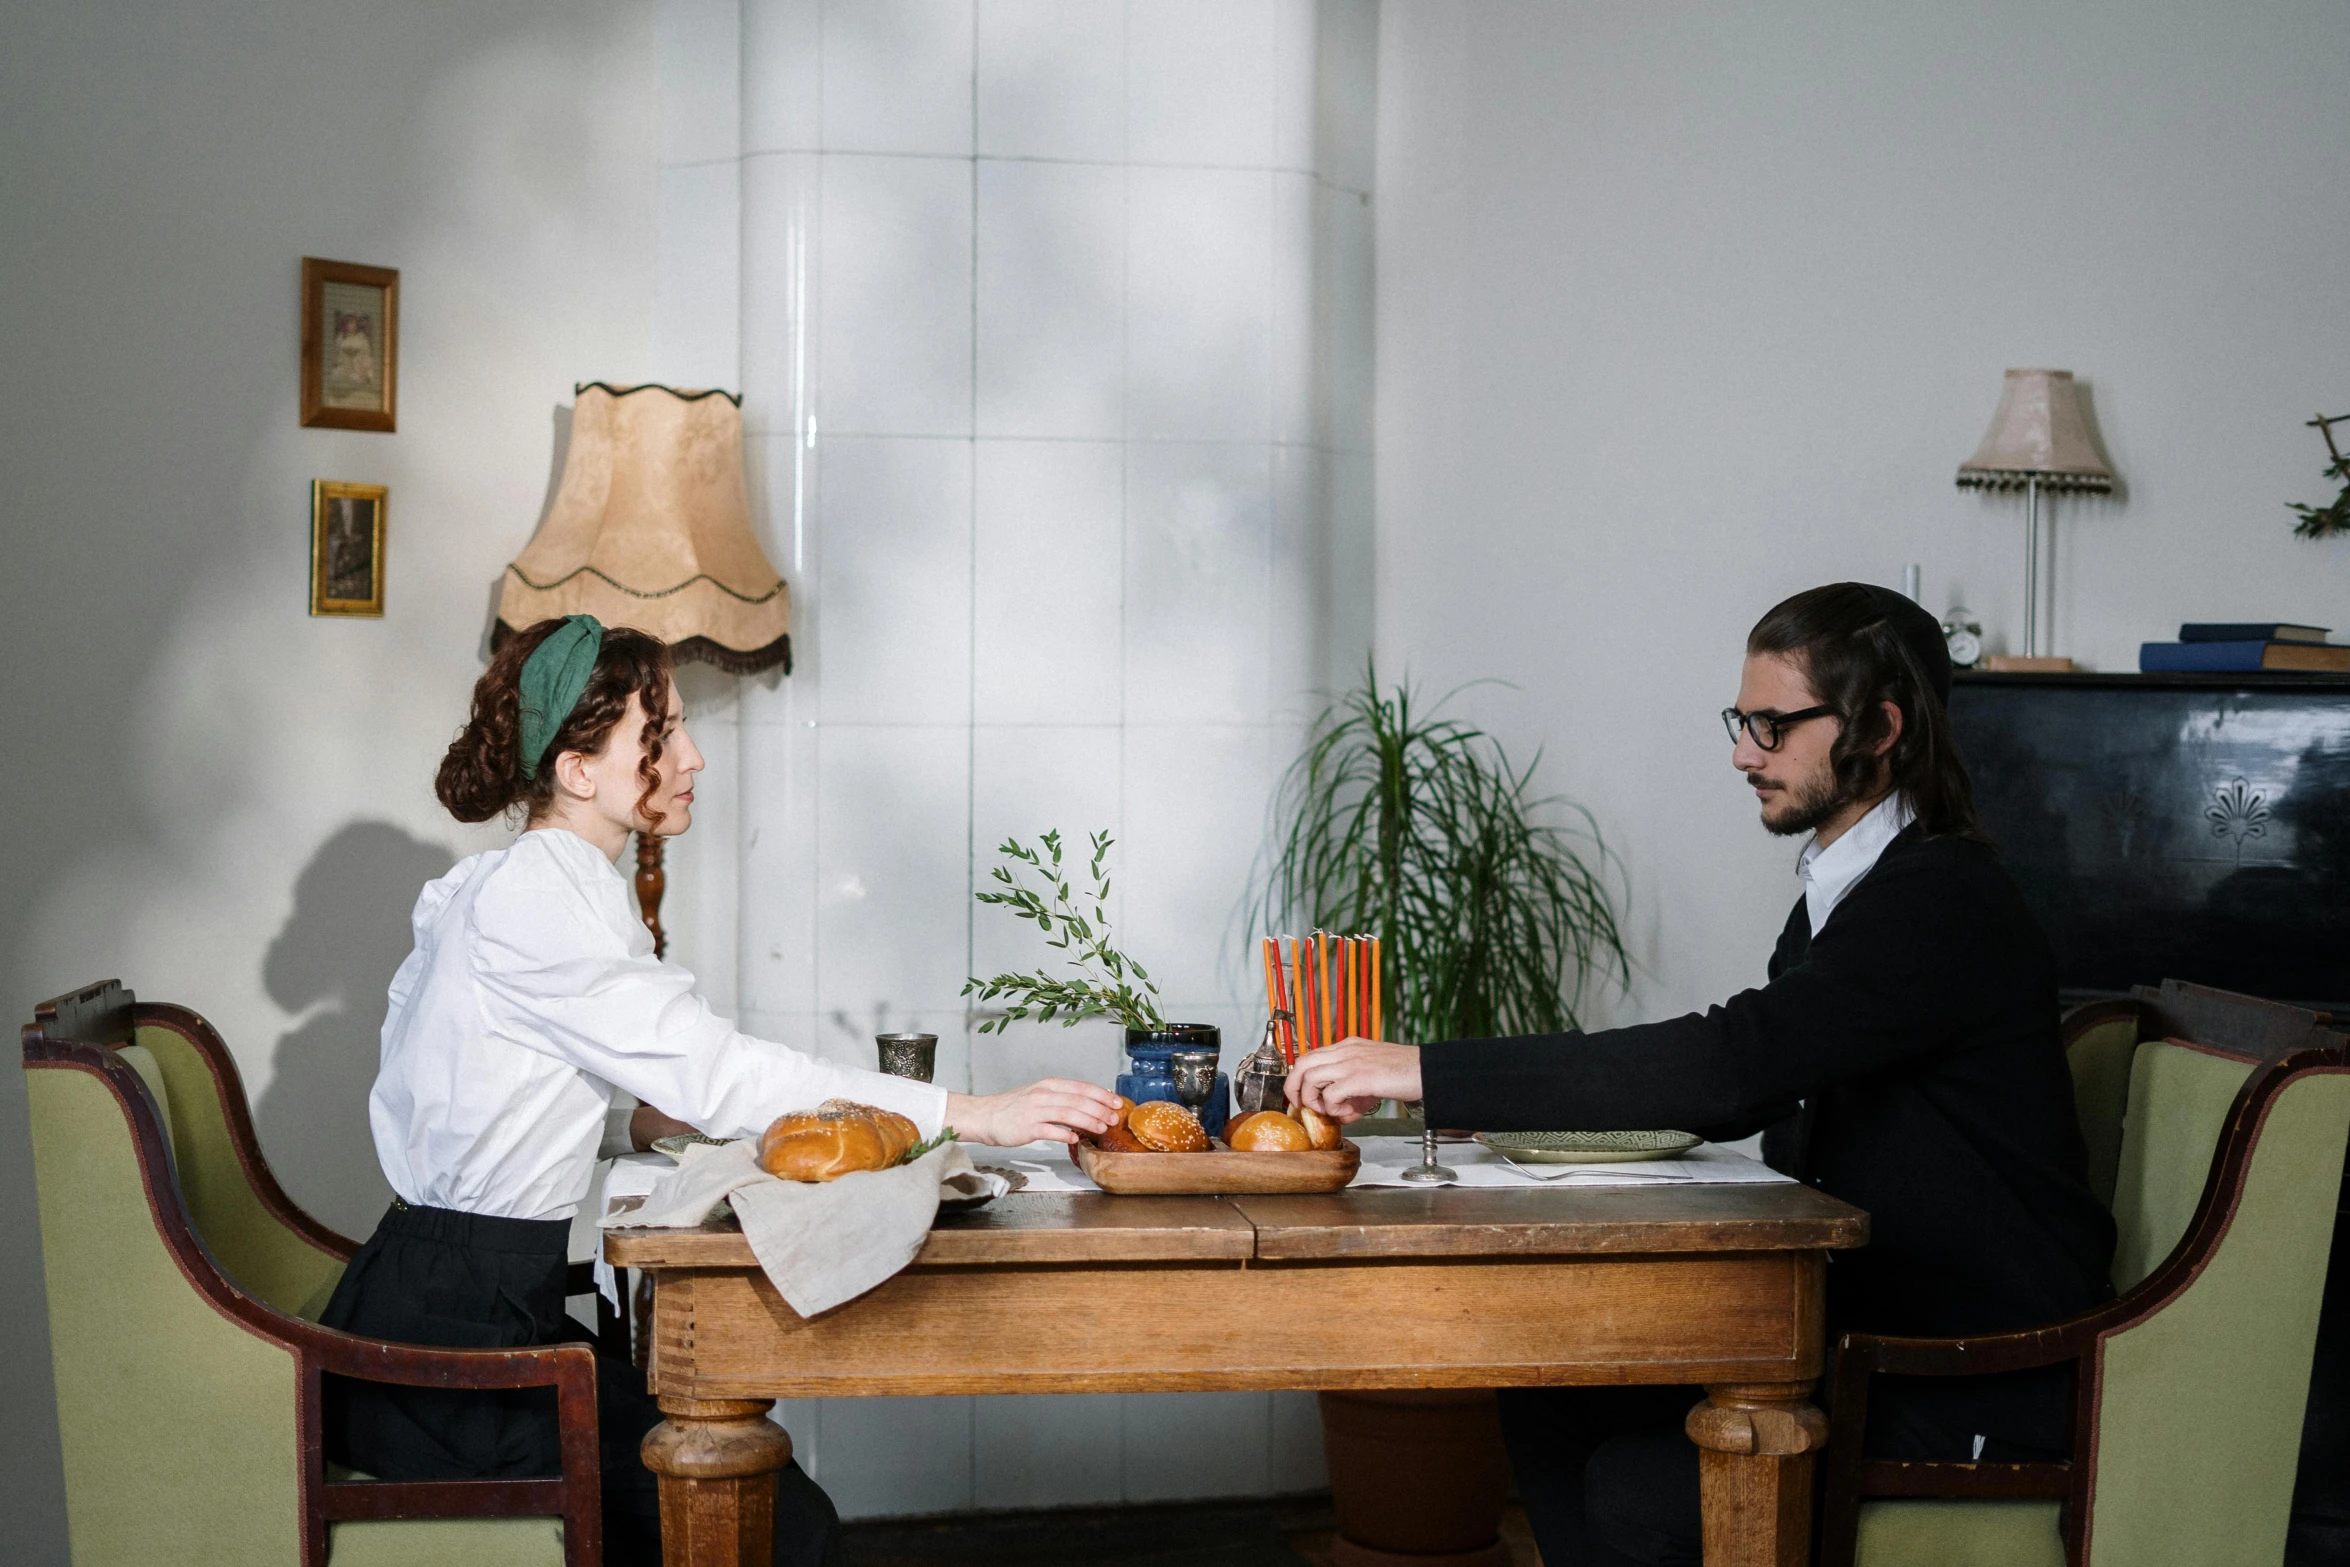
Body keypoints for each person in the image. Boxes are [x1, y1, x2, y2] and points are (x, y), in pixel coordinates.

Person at [1286, 583, 2116, 1567]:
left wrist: (1430, 1070)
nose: (1741, 753)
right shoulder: (1853, 895)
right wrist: (1507, 1117)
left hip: (1962, 1378)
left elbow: (1728, 1066)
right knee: (1549, 1385)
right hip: (1865, 1339)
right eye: (1741, 721)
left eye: (1772, 724)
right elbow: (1754, 1082)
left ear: (1881, 726)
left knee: (1638, 1492)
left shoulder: (1939, 904)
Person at [319, 614, 1121, 1566]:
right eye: (661, 732)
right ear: (580, 769)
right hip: (451, 1361)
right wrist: (973, 1113)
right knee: (778, 1526)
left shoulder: (517, 885)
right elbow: (725, 1072)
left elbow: (475, 1094)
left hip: (454, 1308)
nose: (693, 755)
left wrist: (627, 1122)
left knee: (761, 1504)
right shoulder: (538, 902)